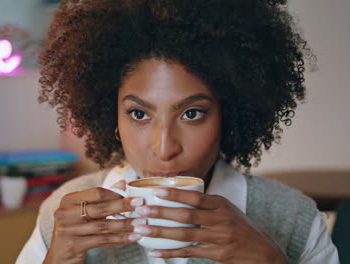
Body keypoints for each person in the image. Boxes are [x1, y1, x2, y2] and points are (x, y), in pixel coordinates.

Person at [17, 0, 339, 263]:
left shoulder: (296, 221)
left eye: (192, 113)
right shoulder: (64, 216)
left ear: (230, 114)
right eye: (139, 114)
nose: (164, 148)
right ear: (111, 116)